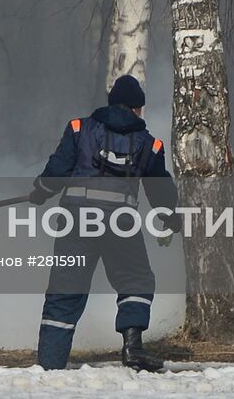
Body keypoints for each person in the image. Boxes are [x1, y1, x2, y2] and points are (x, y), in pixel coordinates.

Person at [29, 74, 176, 372]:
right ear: (137, 108)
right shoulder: (151, 144)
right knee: (136, 280)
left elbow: (57, 170)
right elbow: (160, 189)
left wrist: (41, 192)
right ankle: (133, 348)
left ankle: (49, 365)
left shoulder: (79, 129)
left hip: (76, 220)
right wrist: (170, 219)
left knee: (65, 288)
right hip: (121, 222)